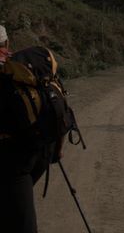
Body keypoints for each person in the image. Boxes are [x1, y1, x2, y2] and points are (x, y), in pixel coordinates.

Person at [0, 25, 59, 232]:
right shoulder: (23, 67)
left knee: (20, 221)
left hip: (16, 158)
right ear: (7, 43)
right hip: (44, 147)